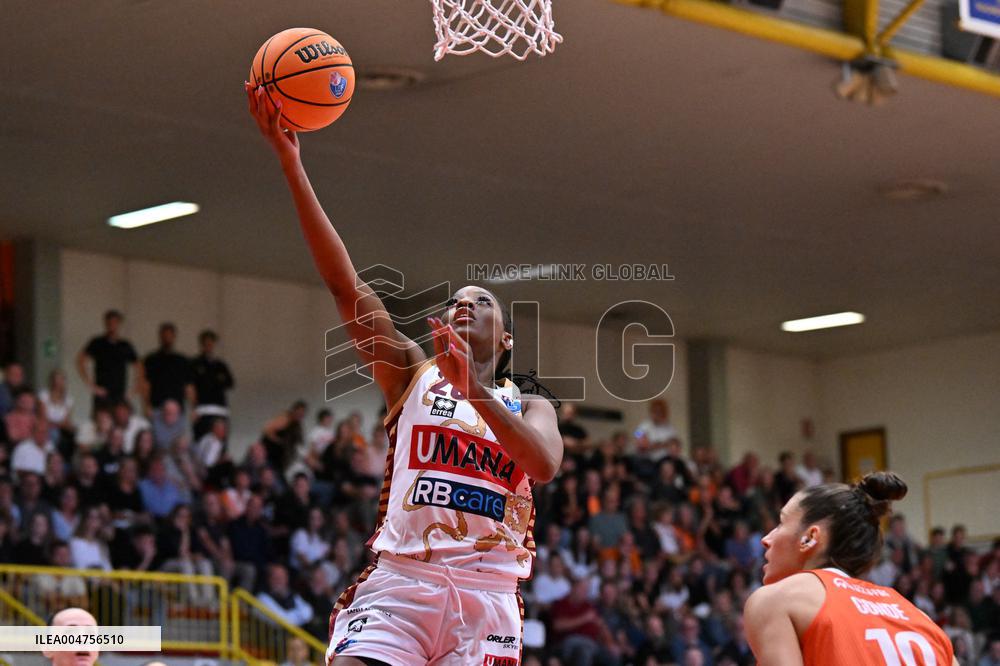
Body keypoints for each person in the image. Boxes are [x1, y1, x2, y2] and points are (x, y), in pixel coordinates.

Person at [246, 83, 563, 666]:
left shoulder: (531, 403)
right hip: (402, 585)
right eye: (456, 302)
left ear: (508, 339)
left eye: (482, 302)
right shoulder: (410, 374)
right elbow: (346, 288)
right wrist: (292, 165)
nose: (464, 305)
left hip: (486, 600)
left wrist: (476, 394)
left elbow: (542, 465)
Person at [744, 471, 956, 665]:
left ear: (810, 538)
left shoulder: (776, 600)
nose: (766, 539)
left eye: (781, 523)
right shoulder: (922, 620)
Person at [76, 309, 141, 410]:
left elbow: (139, 366)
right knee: (101, 421)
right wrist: (91, 385)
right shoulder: (97, 342)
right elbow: (80, 361)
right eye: (109, 323)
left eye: (115, 322)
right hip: (102, 393)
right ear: (105, 323)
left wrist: (133, 390)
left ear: (119, 324)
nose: (112, 325)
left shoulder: (125, 345)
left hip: (120, 393)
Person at [190, 329, 235, 439]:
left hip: (219, 409)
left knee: (220, 443)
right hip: (203, 409)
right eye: (206, 343)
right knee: (202, 440)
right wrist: (194, 408)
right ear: (202, 344)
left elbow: (230, 383)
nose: (209, 346)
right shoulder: (195, 363)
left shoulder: (220, 365)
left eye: (211, 343)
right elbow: (190, 387)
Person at [142, 322, 194, 413]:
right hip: (157, 407)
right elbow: (146, 385)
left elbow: (188, 386)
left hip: (177, 408)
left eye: (169, 335)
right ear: (160, 337)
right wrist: (146, 405)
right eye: (164, 335)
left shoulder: (183, 360)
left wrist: (193, 408)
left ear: (174, 337)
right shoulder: (151, 359)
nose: (167, 338)